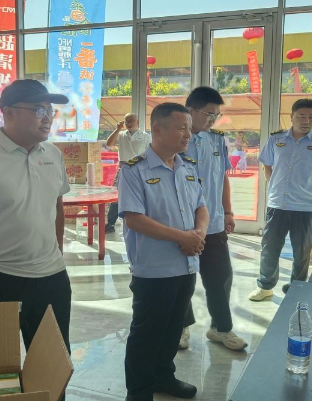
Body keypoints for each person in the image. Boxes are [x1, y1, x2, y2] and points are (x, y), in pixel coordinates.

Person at [0, 79, 73, 353]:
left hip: (52, 276)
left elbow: (57, 207)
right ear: (9, 113)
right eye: (39, 110)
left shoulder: (52, 154)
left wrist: (57, 254)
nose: (48, 118)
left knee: (54, 359)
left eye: (50, 111)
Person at [120, 103, 209, 401]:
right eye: (182, 128)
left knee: (173, 329)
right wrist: (183, 237)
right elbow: (134, 218)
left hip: (186, 266)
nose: (188, 134)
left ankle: (163, 377)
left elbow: (201, 206)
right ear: (158, 129)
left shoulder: (187, 166)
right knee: (147, 334)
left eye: (189, 128)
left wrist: (198, 235)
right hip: (154, 270)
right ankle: (139, 392)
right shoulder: (134, 170)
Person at [176, 87, 246, 352]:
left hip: (214, 223)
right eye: (209, 114)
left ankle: (220, 328)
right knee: (182, 278)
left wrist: (228, 211)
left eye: (216, 115)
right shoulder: (174, 139)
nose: (213, 120)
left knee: (220, 277)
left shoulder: (217, 140)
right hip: (182, 224)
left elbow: (222, 176)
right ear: (190, 110)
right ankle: (181, 326)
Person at [248, 99, 312, 301]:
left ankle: (297, 288)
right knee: (270, 248)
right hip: (278, 203)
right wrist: (274, 185)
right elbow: (267, 164)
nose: (307, 121)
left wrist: (311, 189)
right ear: (292, 117)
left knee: (302, 252)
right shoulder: (276, 139)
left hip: (306, 207)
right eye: (302, 116)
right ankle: (265, 286)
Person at [105, 113, 151, 233]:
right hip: (123, 168)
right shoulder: (121, 135)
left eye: (131, 121)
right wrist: (117, 129)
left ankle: (142, 221)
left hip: (139, 169)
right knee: (117, 196)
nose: (129, 123)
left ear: (137, 122)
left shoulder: (145, 136)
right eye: (126, 121)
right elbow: (109, 144)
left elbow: (150, 152)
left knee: (141, 194)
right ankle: (110, 223)